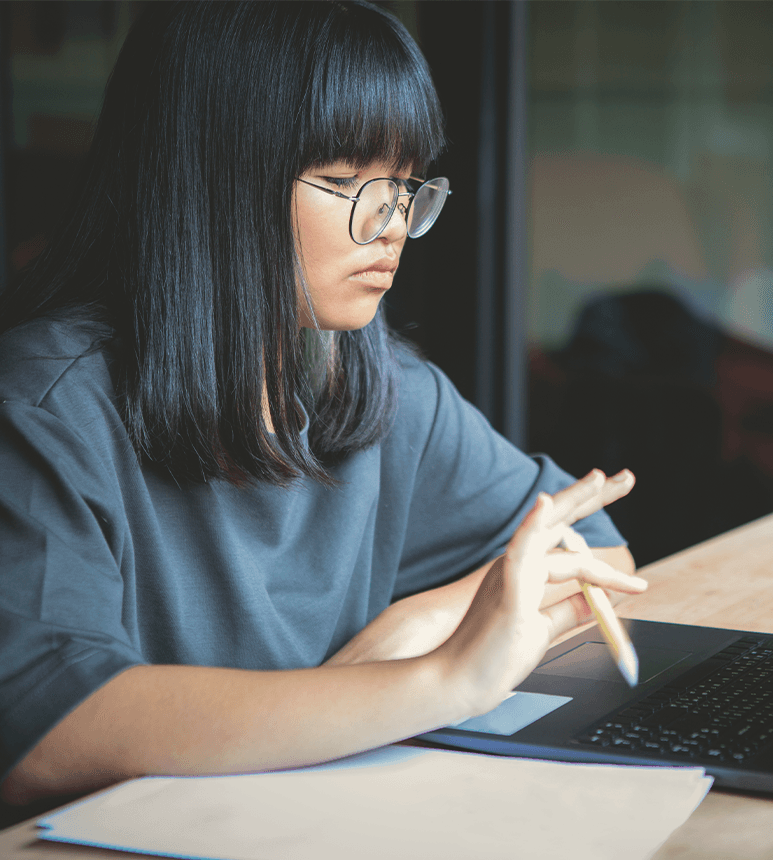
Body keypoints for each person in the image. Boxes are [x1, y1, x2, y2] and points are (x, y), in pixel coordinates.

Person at [0, 1, 642, 815]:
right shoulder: (42, 406)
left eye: (405, 184)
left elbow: (597, 556)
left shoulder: (378, 386)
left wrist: (412, 632)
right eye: (344, 182)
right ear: (208, 178)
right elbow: (39, 732)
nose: (393, 224)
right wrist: (441, 679)